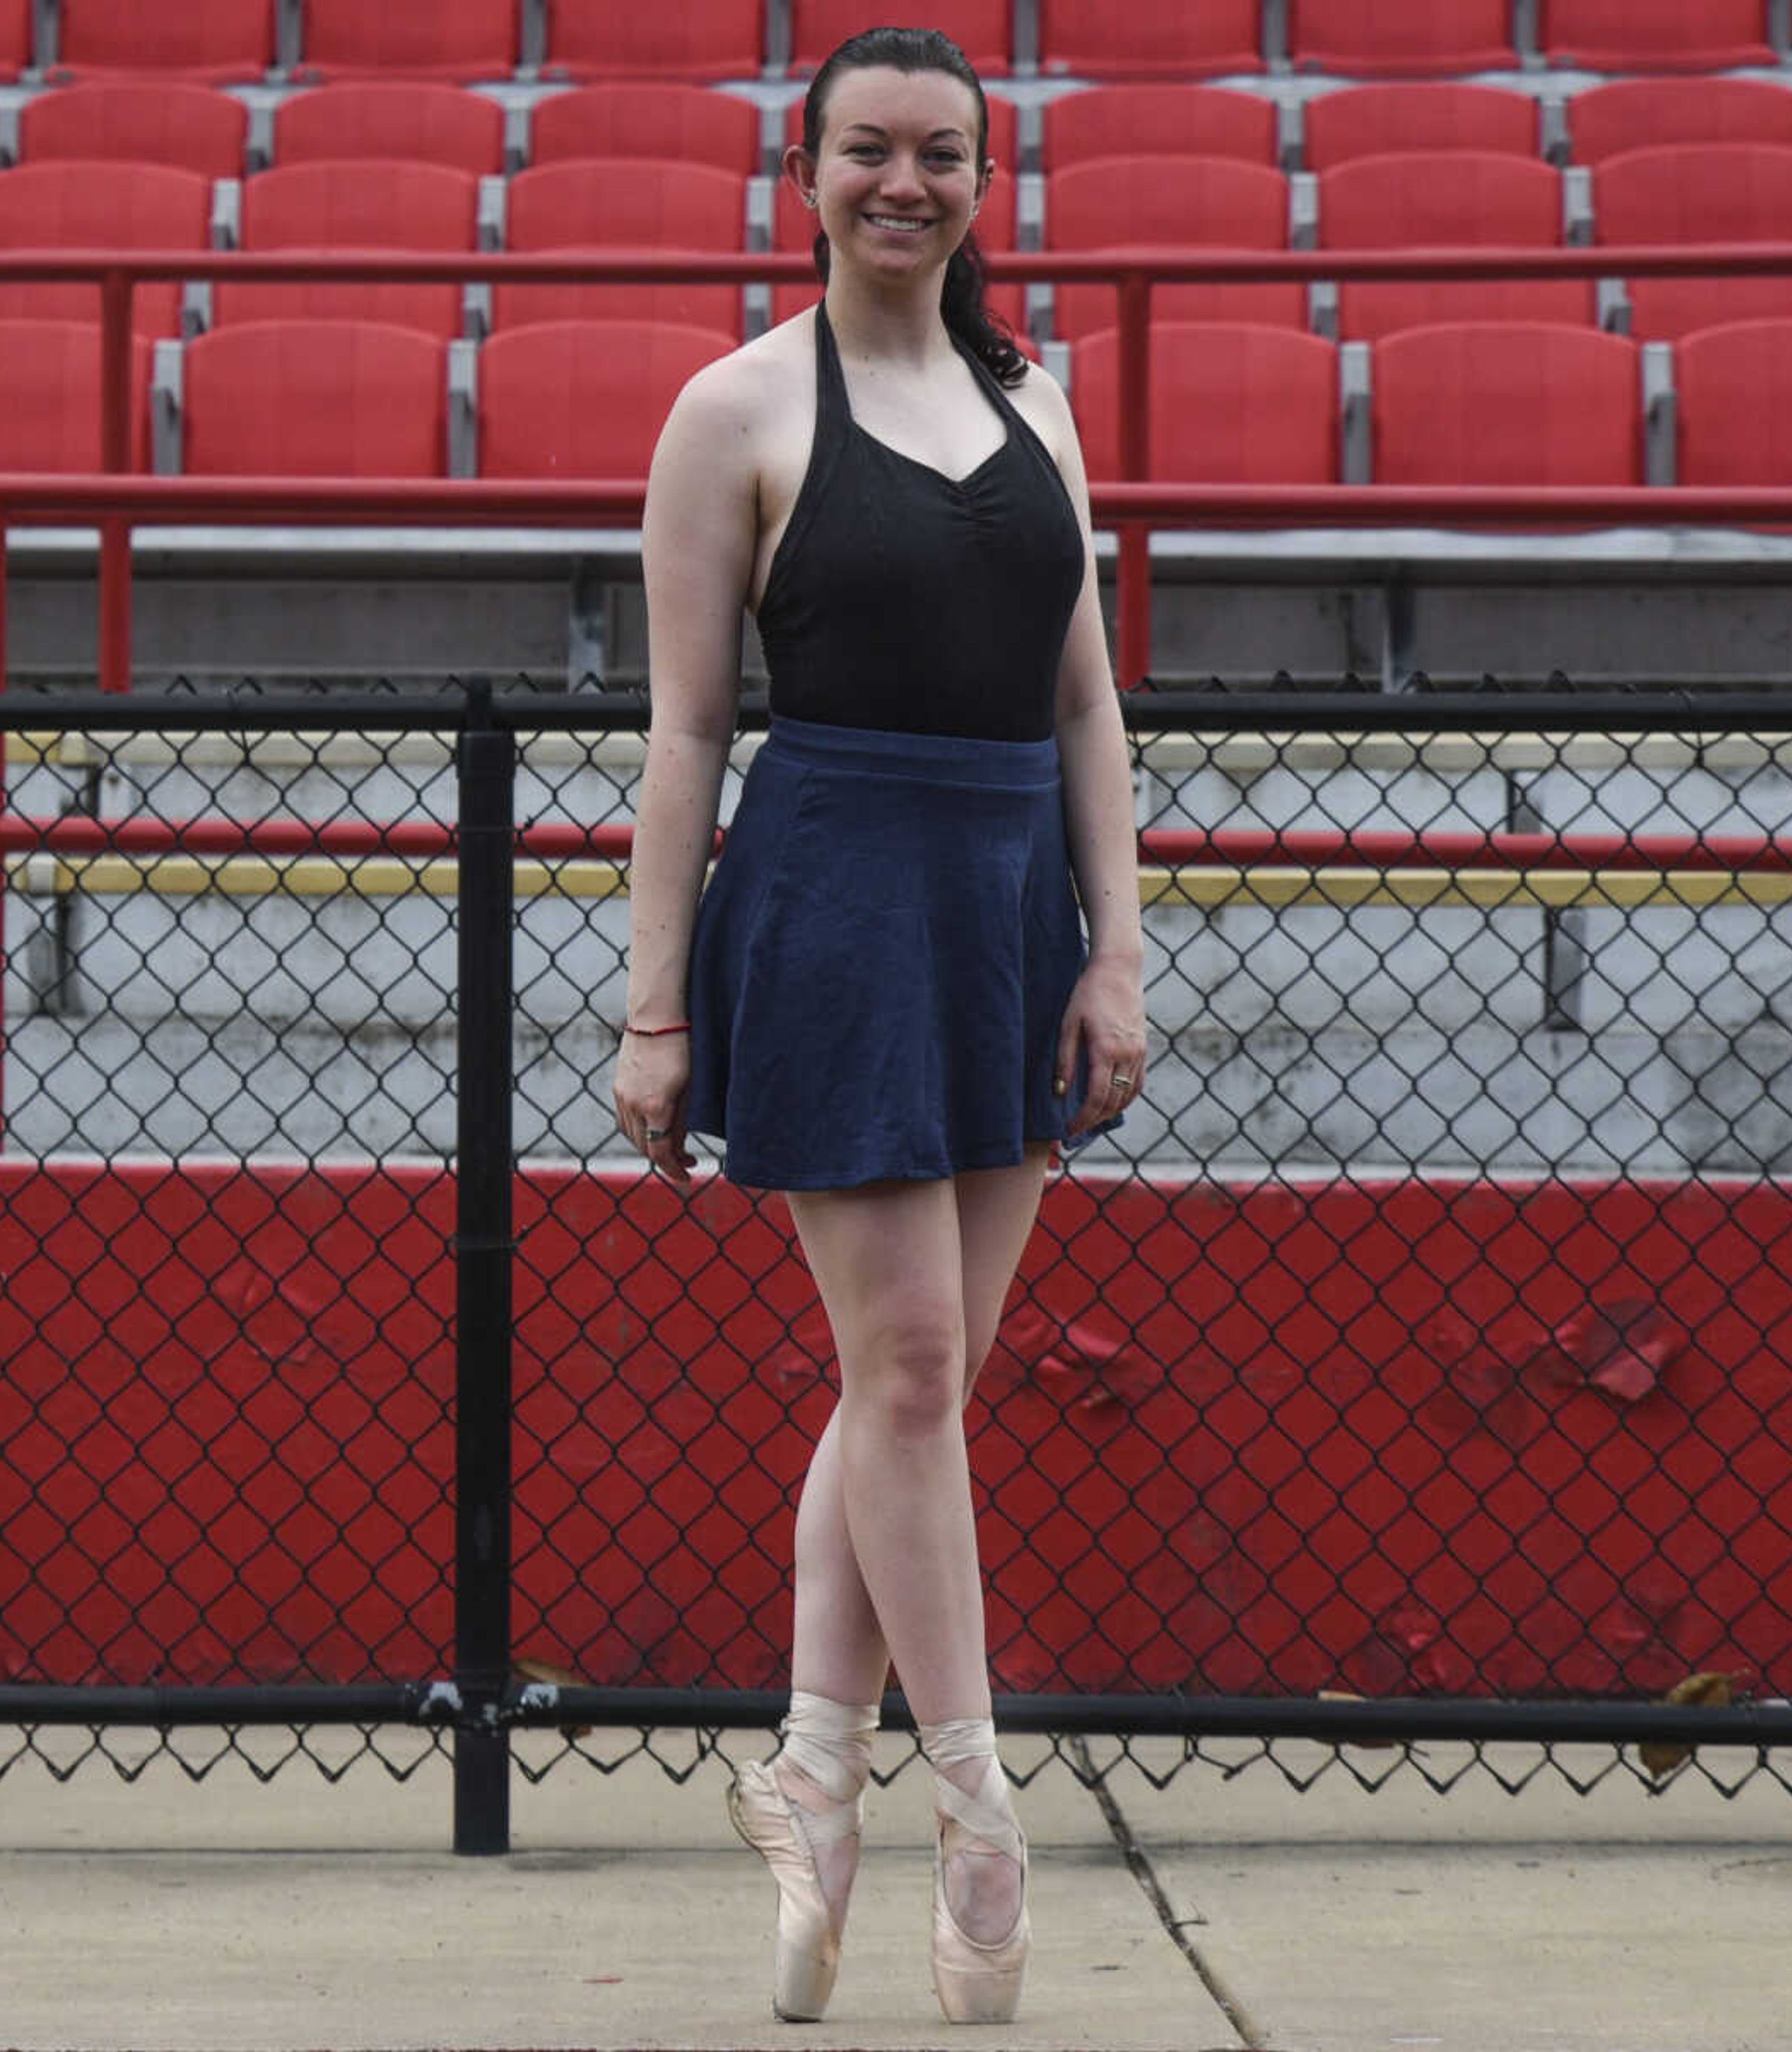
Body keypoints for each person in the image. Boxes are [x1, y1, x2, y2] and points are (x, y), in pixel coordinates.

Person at [608, 25, 1146, 2026]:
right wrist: (654, 1009)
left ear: (980, 182)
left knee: (922, 1378)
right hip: (832, 895)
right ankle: (983, 1821)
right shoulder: (731, 409)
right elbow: (680, 736)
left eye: (939, 155)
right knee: (911, 1366)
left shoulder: (1041, 406)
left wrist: (1121, 952)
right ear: (807, 173)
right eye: (865, 153)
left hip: (1010, 898)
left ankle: (811, 1780)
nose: (901, 184)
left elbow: (1087, 702)